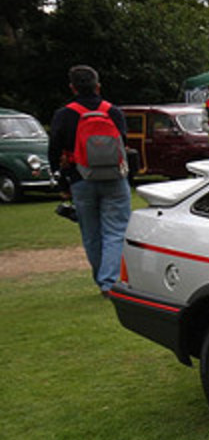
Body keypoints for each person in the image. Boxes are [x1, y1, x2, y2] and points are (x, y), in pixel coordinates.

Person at [47, 65, 131, 296]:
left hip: (80, 177)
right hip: (114, 177)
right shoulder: (112, 111)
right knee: (115, 230)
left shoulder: (64, 114)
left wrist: (63, 184)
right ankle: (110, 280)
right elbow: (122, 144)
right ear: (98, 86)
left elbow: (54, 151)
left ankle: (102, 279)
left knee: (91, 232)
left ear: (72, 87)